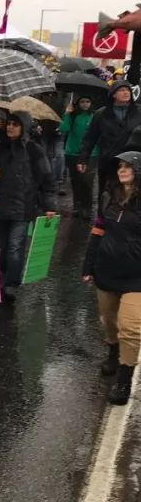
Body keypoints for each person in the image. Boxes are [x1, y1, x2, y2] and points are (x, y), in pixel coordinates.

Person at [84, 150, 141, 405]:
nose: (122, 169)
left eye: (128, 166)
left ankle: (124, 380)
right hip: (106, 270)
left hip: (136, 277)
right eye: (119, 166)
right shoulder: (108, 198)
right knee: (109, 321)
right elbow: (98, 231)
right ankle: (113, 350)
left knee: (130, 328)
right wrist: (88, 265)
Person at [0, 112, 57, 301]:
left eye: (15, 124)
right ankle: (3, 275)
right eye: (8, 124)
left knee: (15, 246)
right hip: (0, 206)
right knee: (2, 248)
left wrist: (49, 205)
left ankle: (12, 283)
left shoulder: (34, 150)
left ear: (24, 127)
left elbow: (47, 179)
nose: (10, 127)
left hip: (24, 207)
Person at [78, 81, 141, 203]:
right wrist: (83, 158)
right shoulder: (101, 114)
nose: (126, 93)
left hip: (133, 161)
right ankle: (102, 218)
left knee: (133, 192)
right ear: (113, 94)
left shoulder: (138, 112)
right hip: (109, 159)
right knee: (107, 191)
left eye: (128, 90)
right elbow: (91, 137)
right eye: (121, 90)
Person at [62, 96, 97, 218]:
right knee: (75, 181)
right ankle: (77, 205)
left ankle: (87, 207)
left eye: (87, 101)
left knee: (87, 181)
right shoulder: (72, 115)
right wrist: (67, 114)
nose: (85, 104)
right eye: (82, 101)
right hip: (72, 152)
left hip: (90, 154)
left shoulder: (94, 116)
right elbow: (64, 129)